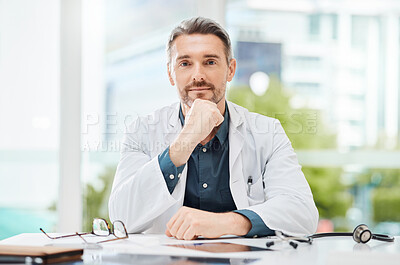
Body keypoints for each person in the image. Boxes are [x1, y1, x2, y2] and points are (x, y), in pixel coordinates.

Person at [108, 17, 318, 240]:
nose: (198, 75)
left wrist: (225, 223)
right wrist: (185, 141)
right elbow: (122, 218)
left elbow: (302, 214)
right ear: (171, 73)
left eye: (210, 62)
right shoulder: (141, 131)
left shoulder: (268, 132)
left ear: (230, 70)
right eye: (185, 63)